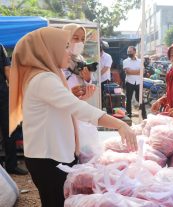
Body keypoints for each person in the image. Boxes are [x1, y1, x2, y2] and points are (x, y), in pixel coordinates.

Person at [9, 27, 137, 207]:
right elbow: (78, 108)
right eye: (65, 46)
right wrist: (120, 125)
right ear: (49, 49)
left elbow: (61, 106)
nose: (70, 52)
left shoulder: (46, 75)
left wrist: (76, 97)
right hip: (48, 158)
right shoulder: (43, 79)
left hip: (50, 154)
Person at [0, 44, 28, 175]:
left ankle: (7, 167)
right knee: (9, 130)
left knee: (9, 130)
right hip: (3, 94)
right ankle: (11, 166)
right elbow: (7, 70)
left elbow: (7, 69)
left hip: (3, 94)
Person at [62, 23, 93, 98]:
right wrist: (70, 93)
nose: (80, 42)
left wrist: (88, 79)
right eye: (76, 38)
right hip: (64, 104)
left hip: (80, 103)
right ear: (65, 38)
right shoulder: (58, 59)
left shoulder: (81, 59)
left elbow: (87, 85)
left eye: (83, 39)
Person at [123, 46, 146, 119]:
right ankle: (129, 115)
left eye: (130, 51)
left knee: (140, 99)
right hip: (129, 82)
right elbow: (127, 72)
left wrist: (135, 72)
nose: (129, 53)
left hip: (138, 82)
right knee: (128, 99)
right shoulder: (125, 61)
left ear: (135, 52)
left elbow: (143, 71)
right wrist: (138, 71)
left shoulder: (140, 61)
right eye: (128, 52)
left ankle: (144, 115)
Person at [99, 41, 113, 105]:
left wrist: (96, 76)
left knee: (104, 97)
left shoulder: (108, 56)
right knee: (98, 96)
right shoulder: (95, 56)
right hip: (96, 80)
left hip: (105, 80)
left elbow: (105, 69)